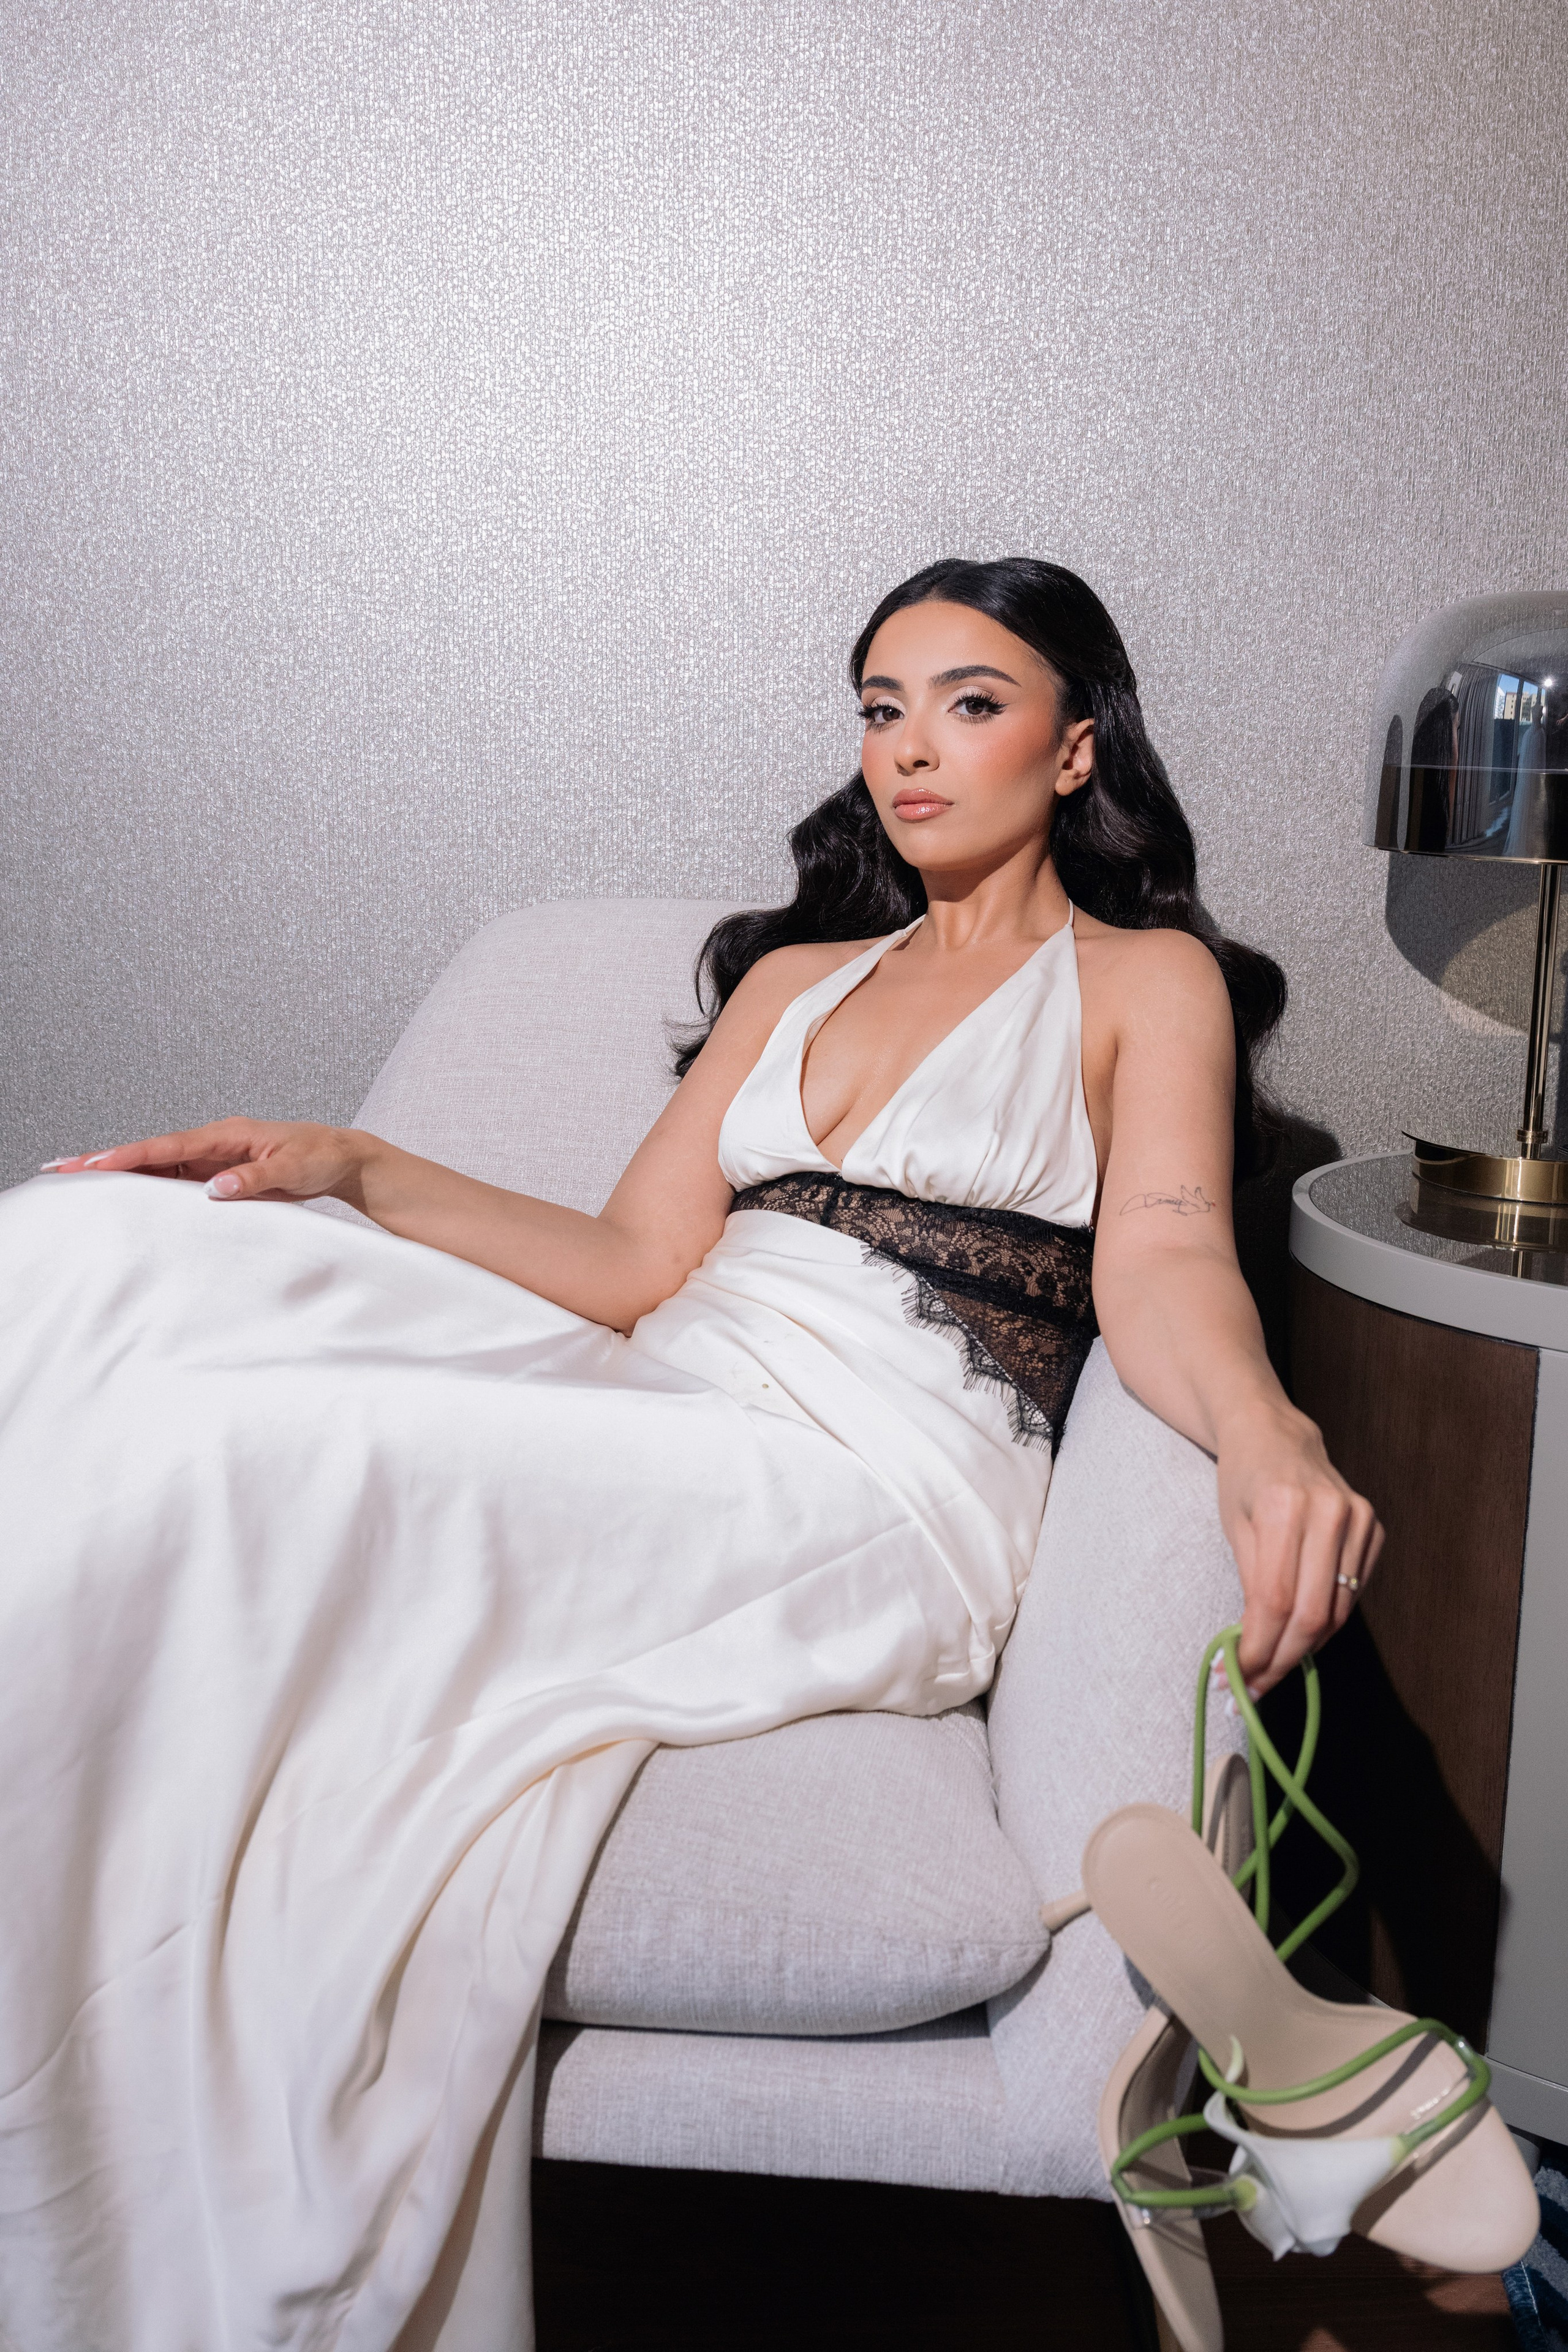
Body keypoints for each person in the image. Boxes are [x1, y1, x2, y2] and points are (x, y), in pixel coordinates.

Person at [0, 557, 1381, 2350]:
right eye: (882, 708)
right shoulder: (793, 977)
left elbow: (1173, 1257)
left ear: (1072, 748)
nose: (910, 749)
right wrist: (354, 1165)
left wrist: (1270, 1433)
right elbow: (634, 1264)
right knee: (87, 1251)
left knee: (274, 1462)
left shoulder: (1145, 980)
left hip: (876, 1474)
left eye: (969, 703)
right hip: (678, 1377)